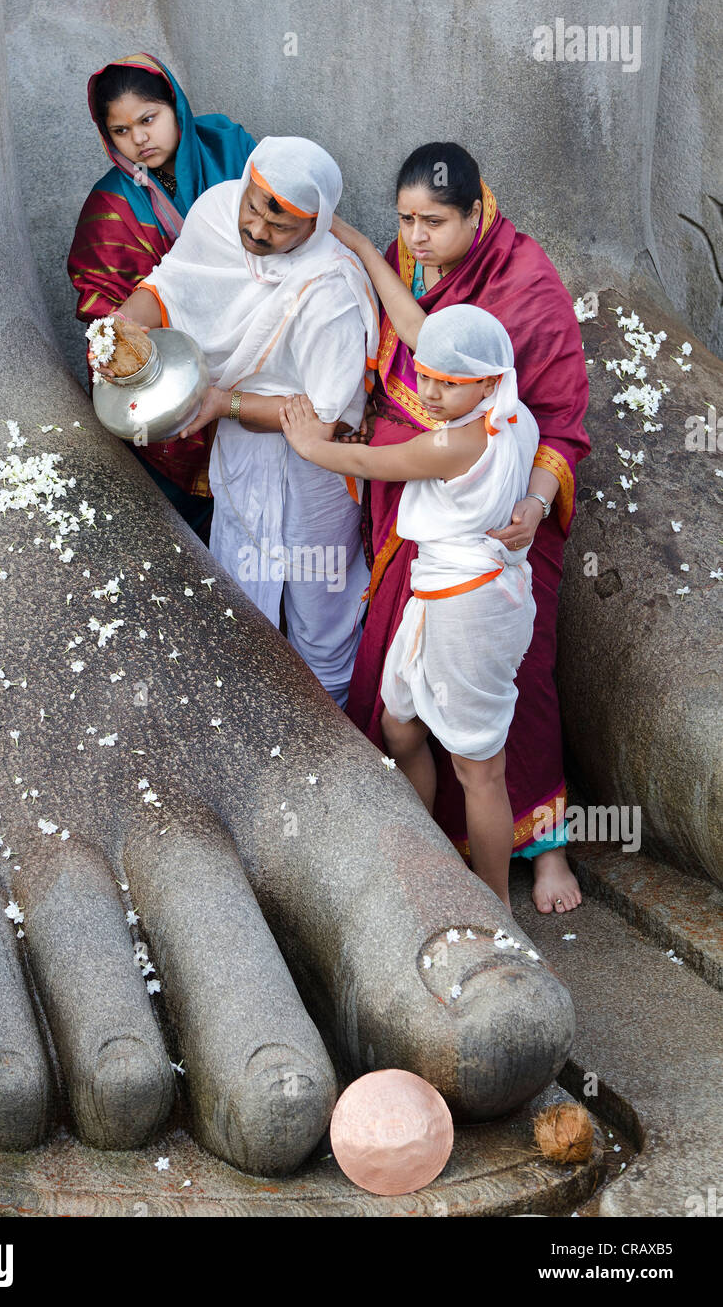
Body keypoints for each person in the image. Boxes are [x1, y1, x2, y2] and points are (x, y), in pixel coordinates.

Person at [332, 142, 590, 915]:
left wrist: (536, 503)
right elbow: (402, 339)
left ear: (478, 212)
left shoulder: (526, 283)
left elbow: (563, 424)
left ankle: (544, 848)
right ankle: (439, 850)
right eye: (405, 219)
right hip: (418, 528)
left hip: (505, 528)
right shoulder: (403, 265)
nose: (416, 238)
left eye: (434, 222)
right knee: (401, 691)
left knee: (523, 687)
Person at [93, 136, 379, 708]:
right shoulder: (220, 211)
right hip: (242, 452)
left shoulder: (331, 291)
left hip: (316, 470)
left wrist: (226, 405)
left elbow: (322, 417)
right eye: (255, 204)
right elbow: (172, 284)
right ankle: (246, 728)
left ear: (316, 226)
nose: (257, 228)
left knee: (319, 613)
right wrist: (121, 325)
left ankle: (334, 754)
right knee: (239, 586)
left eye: (281, 223)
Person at [281, 305, 537, 910]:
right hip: (447, 595)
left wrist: (307, 444)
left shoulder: (462, 439)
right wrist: (538, 501)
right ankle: (430, 860)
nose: (431, 392)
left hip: (467, 607)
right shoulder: (515, 416)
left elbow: (375, 463)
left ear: (490, 379)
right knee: (399, 725)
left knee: (480, 769)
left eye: (449, 383)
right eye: (425, 377)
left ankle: (495, 904)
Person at [68, 52, 255, 534]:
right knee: (199, 524)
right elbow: (103, 304)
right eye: (121, 131)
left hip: (261, 339)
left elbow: (286, 227)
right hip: (175, 364)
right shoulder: (110, 205)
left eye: (148, 119)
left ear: (175, 105)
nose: (139, 139)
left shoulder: (231, 151)